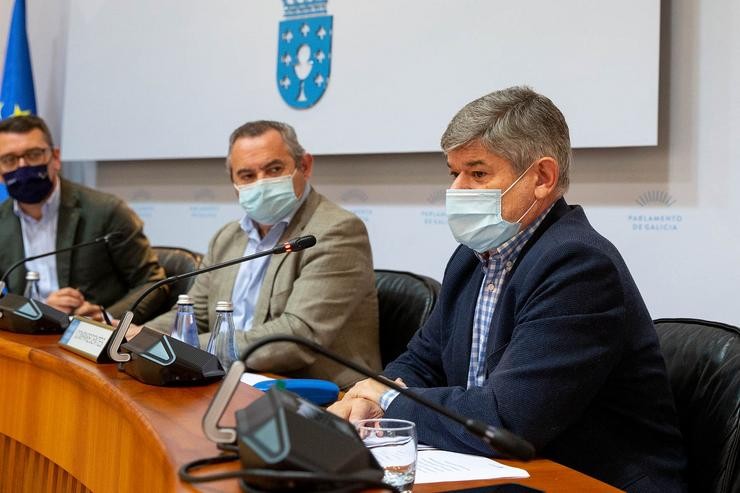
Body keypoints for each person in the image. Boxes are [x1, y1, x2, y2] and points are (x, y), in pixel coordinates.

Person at [329, 87, 687, 491]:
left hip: (591, 480)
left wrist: (390, 399)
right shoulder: (472, 257)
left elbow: (509, 418)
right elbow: (422, 361)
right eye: (454, 173)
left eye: (478, 173)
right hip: (508, 471)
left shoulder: (578, 266)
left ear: (542, 178)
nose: (458, 190)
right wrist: (371, 398)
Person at [145, 120, 380, 388]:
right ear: (234, 183)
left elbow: (297, 337)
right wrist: (143, 335)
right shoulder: (226, 238)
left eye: (274, 169)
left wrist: (180, 345)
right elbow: (194, 315)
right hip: (230, 380)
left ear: (304, 166)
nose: (262, 183)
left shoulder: (335, 230)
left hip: (319, 395)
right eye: (247, 175)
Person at [0, 115, 167, 323]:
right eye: (9, 160)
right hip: (28, 338)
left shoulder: (106, 211)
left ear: (56, 157)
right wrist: (36, 309)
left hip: (90, 342)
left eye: (34, 154)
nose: (22, 166)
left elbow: (153, 284)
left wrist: (107, 318)